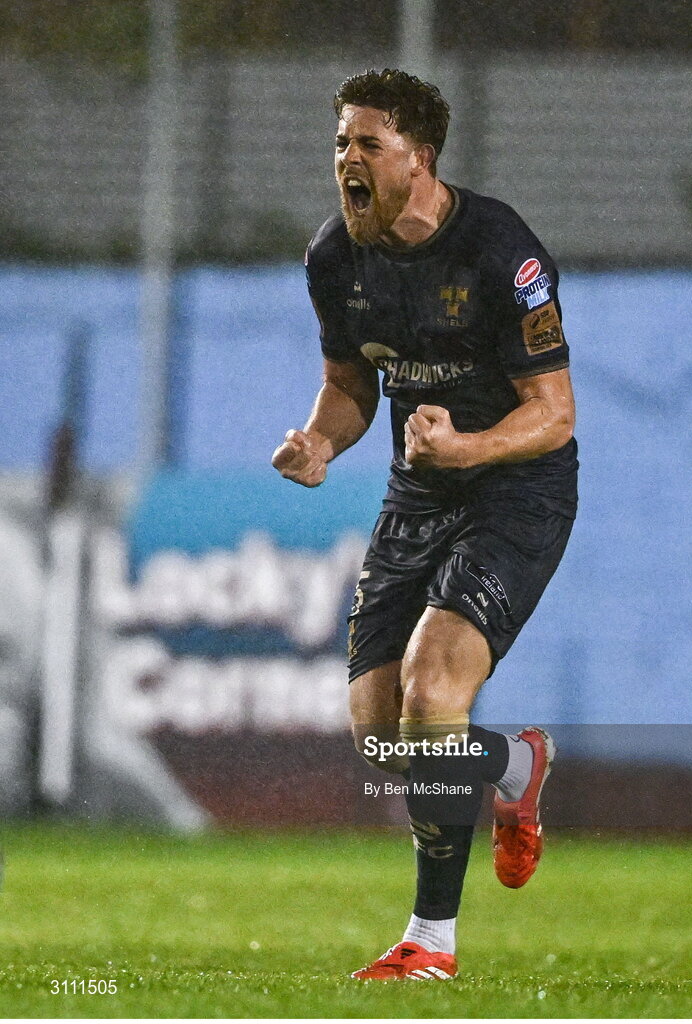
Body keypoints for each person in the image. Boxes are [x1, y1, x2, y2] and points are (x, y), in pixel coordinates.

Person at [272, 68, 577, 981]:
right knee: (384, 741)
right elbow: (349, 385)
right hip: (419, 493)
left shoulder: (500, 252)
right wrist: (320, 444)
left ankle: (429, 944)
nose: (346, 161)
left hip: (515, 489)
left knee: (432, 690)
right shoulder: (335, 257)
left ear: (420, 158)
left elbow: (554, 412)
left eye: (367, 144)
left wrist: (467, 447)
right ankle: (512, 767)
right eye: (339, 144)